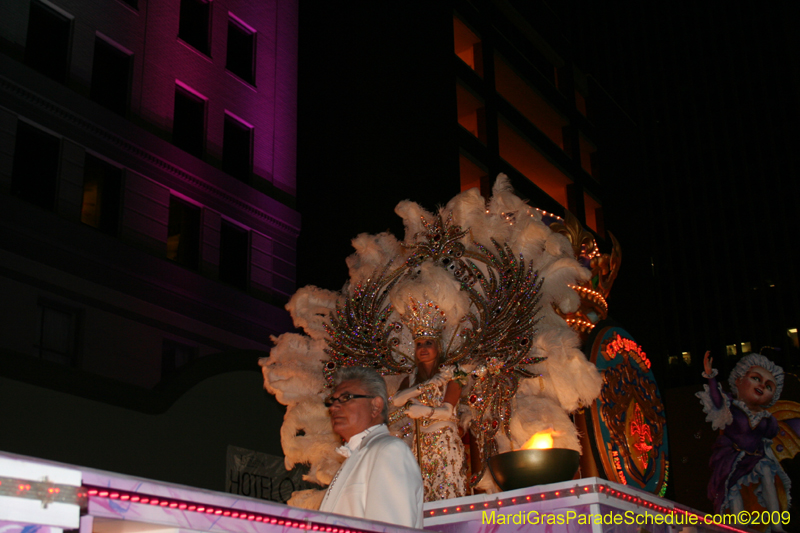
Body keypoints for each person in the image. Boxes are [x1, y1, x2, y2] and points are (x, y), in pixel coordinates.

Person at [318, 366, 423, 528]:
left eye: (346, 398)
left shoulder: (389, 451)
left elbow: (390, 528)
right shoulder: (355, 457)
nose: (333, 407)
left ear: (376, 406)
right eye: (332, 401)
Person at [697, 351, 791, 525]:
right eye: (756, 378)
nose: (762, 385)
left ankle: (776, 524)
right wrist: (710, 375)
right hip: (731, 458)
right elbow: (716, 400)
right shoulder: (731, 407)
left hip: (755, 457)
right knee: (731, 489)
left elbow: (770, 436)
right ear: (739, 380)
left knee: (767, 470)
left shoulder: (767, 418)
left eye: (769, 386)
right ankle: (738, 526)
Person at [390, 298, 468, 502]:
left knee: (448, 498)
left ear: (438, 346)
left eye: (428, 343)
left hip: (445, 442)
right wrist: (427, 384)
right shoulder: (412, 378)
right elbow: (397, 400)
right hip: (420, 444)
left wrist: (423, 411)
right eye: (419, 344)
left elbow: (447, 411)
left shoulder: (453, 374)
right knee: (422, 499)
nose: (423, 348)